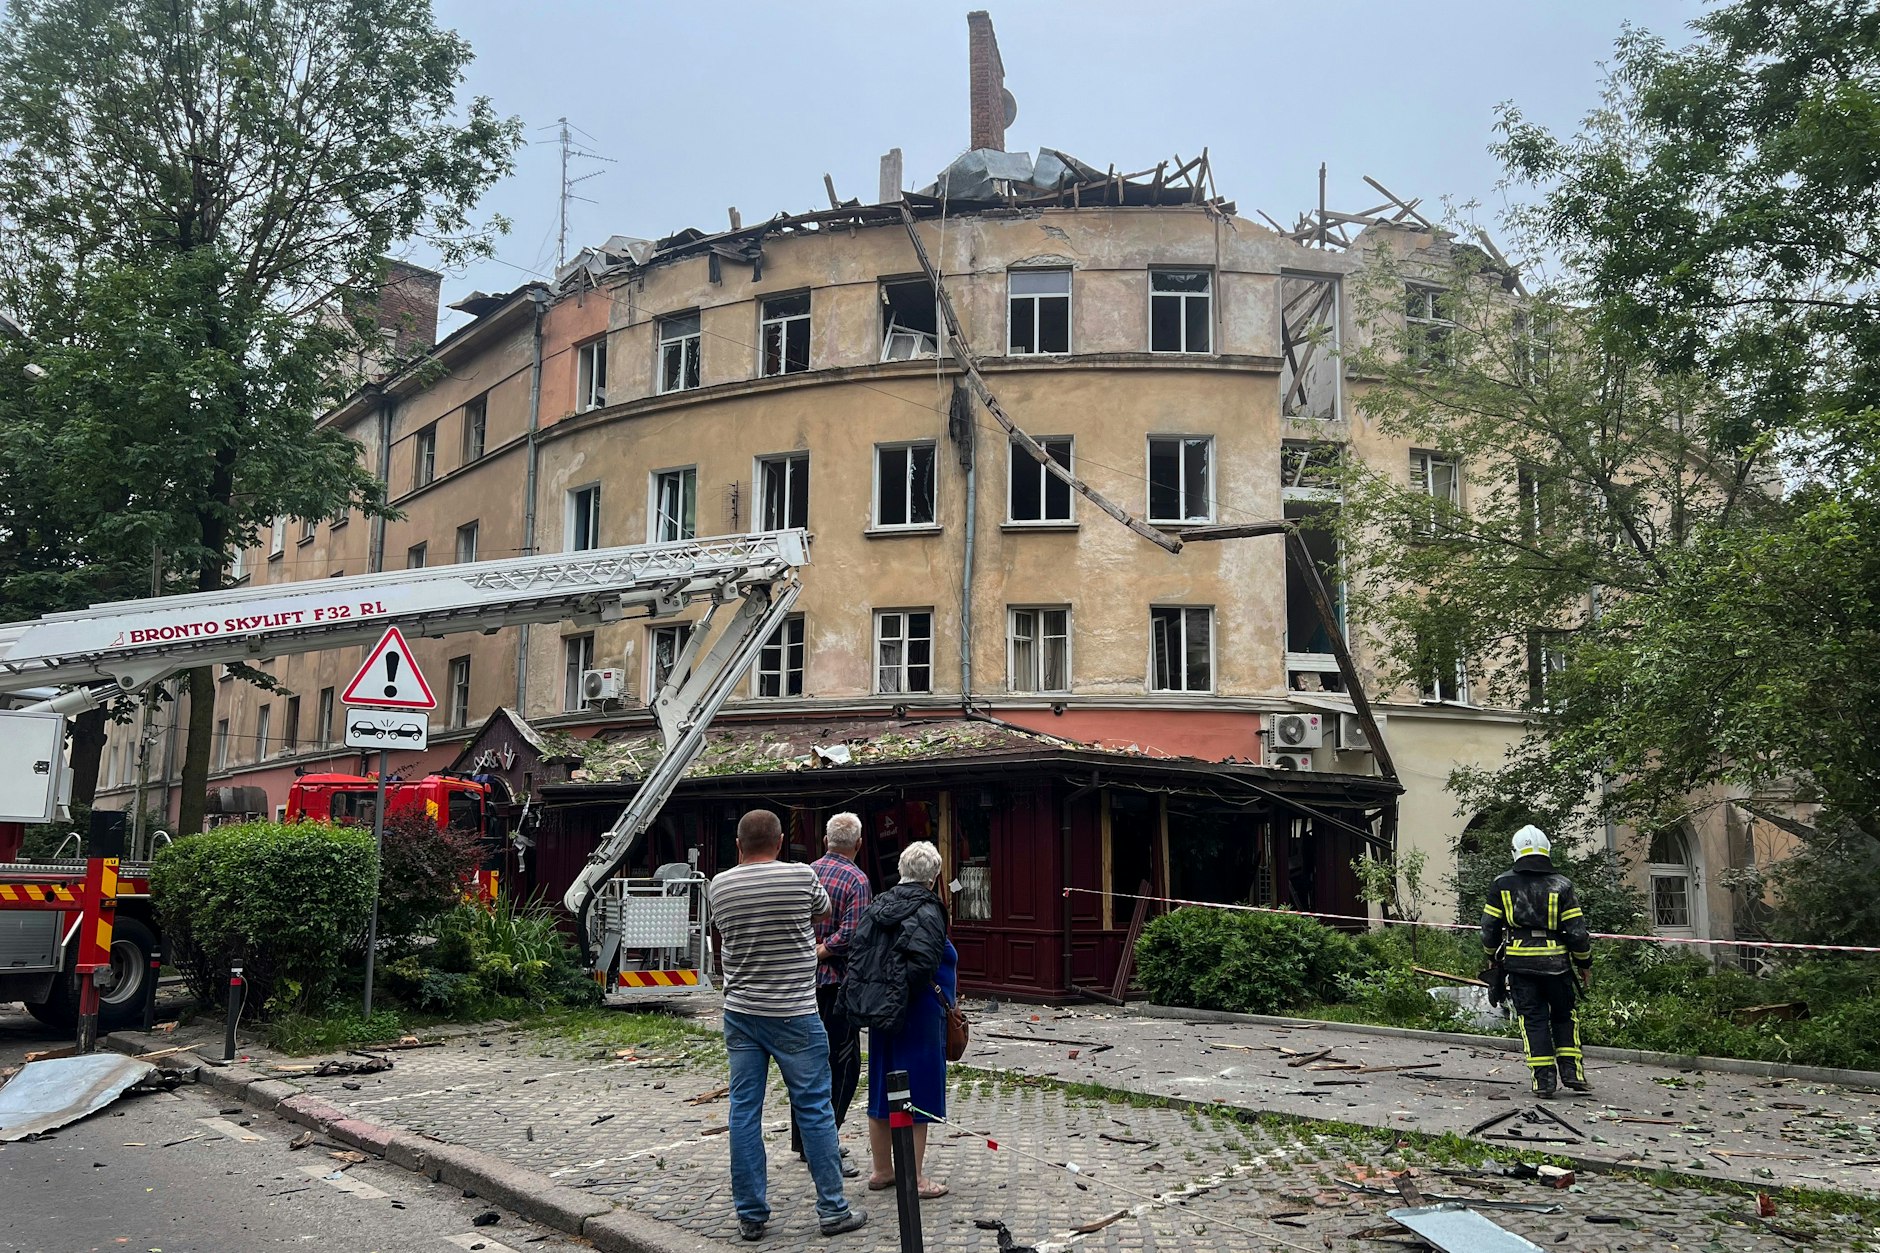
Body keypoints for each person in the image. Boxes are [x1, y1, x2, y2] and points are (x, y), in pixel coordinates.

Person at [706, 809, 868, 1241]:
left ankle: (751, 1215)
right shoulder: (799, 876)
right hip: (795, 1011)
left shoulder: (718, 886)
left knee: (744, 1112)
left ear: (738, 846)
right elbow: (823, 912)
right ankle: (833, 1210)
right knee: (815, 1109)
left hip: (741, 1012)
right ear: (780, 842)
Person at [840, 840, 954, 1200]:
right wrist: (902, 991)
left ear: (902, 871)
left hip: (879, 1011)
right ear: (933, 877)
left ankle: (882, 1170)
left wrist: (878, 995)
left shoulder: (878, 904)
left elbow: (859, 953)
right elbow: (922, 964)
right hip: (917, 1013)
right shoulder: (930, 909)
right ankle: (915, 1177)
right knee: (917, 1092)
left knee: (881, 1084)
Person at [1481, 824, 1594, 1097]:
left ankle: (1544, 1082)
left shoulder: (1502, 884)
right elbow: (1576, 932)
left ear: (1515, 851)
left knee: (1533, 1019)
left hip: (1520, 965)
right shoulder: (1562, 885)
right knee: (1564, 1016)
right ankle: (1572, 1073)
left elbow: (1489, 928)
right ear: (1547, 851)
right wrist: (1584, 963)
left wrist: (1492, 960)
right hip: (1558, 965)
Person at [789, 812, 872, 1177]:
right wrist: (821, 950)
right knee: (843, 1064)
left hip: (799, 983)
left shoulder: (805, 873)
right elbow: (853, 934)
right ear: (858, 844)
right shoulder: (857, 880)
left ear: (825, 841)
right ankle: (824, 1142)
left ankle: (802, 1140)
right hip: (836, 984)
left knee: (805, 1063)